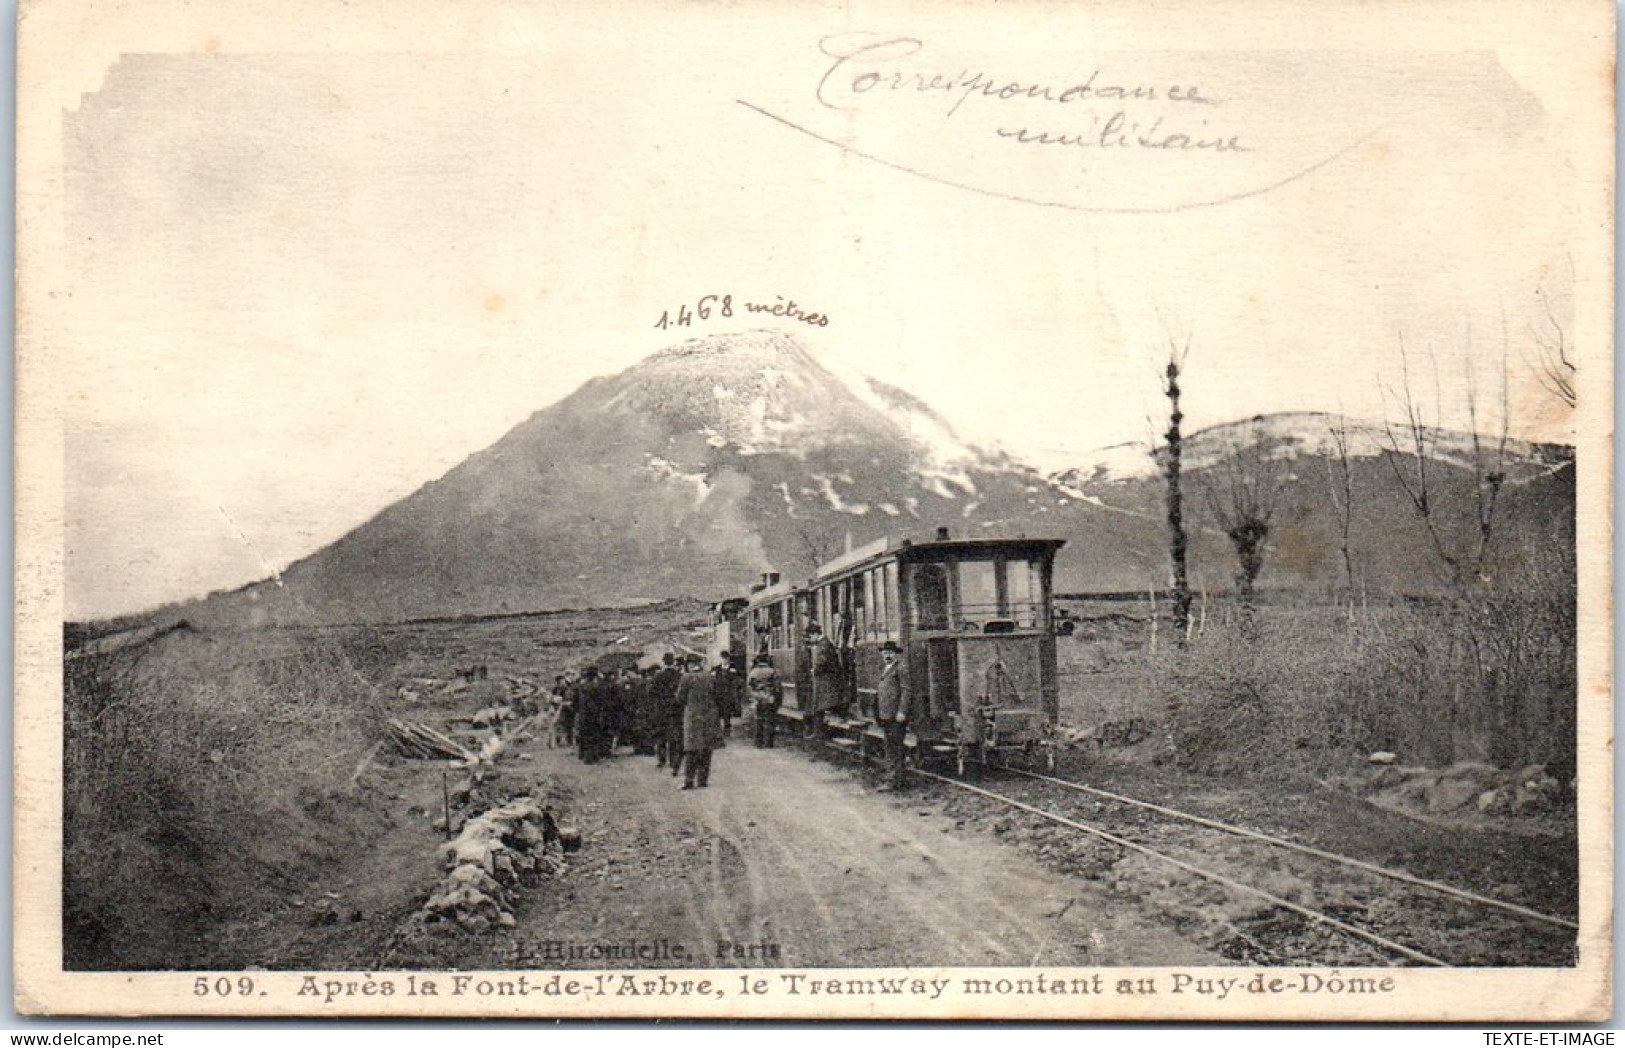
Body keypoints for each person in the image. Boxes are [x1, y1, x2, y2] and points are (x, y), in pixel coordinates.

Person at [678, 654, 723, 789]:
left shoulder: (686, 678)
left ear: (689, 664)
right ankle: (703, 780)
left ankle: (689, 780)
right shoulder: (710, 677)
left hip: (692, 716)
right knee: (706, 748)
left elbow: (680, 698)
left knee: (691, 749)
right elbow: (718, 695)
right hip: (709, 715)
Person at [875, 641, 909, 790]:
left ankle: (894, 780)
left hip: (895, 715)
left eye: (890, 653)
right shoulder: (886, 669)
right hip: (886, 714)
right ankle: (894, 778)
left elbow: (906, 690)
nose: (887, 655)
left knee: (895, 748)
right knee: (890, 746)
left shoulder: (900, 668)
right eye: (885, 652)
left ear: (896, 654)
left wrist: (902, 711)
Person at [650, 654, 684, 773]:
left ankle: (661, 759)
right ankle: (673, 760)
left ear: (664, 662)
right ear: (673, 662)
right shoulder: (679, 676)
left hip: (661, 710)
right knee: (674, 736)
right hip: (675, 710)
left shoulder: (658, 676)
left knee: (661, 736)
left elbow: (651, 692)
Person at [807, 622, 842, 737]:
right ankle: (818, 731)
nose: (811, 639)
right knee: (819, 706)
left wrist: (814, 670)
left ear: (815, 634)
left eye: (811, 636)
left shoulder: (823, 645)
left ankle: (818, 732)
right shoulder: (825, 643)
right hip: (825, 679)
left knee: (818, 706)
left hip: (824, 680)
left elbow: (821, 662)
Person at [747, 653, 781, 748]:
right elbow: (777, 687)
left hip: (758, 698)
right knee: (770, 720)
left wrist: (754, 696)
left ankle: (758, 743)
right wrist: (776, 698)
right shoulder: (772, 671)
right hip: (769, 698)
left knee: (759, 720)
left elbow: (749, 686)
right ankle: (769, 743)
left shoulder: (753, 672)